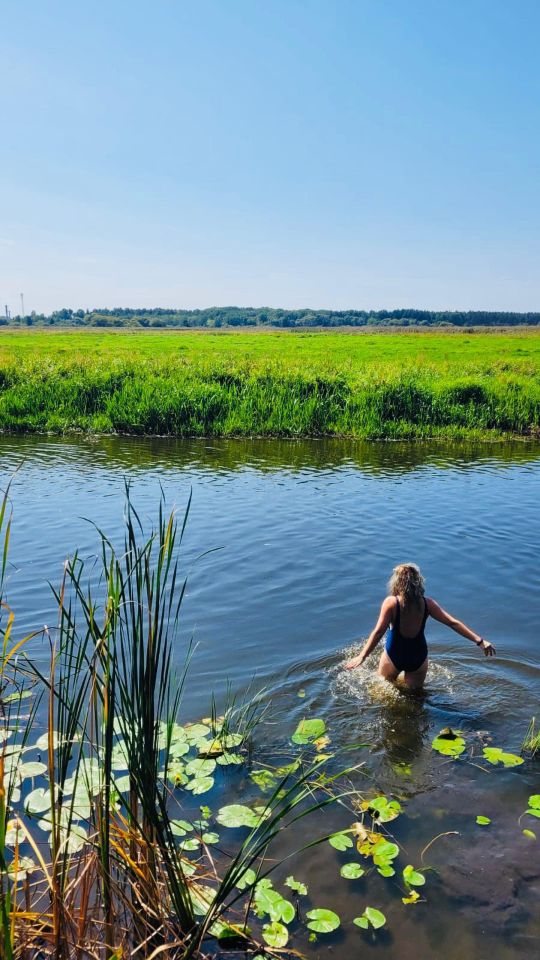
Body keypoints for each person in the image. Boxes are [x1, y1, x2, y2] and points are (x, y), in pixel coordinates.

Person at [345, 562, 495, 689]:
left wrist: (362, 656)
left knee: (381, 692)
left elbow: (378, 632)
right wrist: (480, 641)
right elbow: (452, 623)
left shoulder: (391, 603)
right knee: (416, 699)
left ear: (397, 583)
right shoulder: (428, 603)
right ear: (419, 582)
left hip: (394, 655)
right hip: (418, 658)